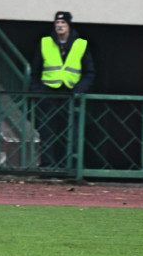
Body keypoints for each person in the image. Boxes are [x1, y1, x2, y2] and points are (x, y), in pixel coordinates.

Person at [30, 11, 96, 169]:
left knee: (72, 133)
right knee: (47, 132)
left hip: (71, 94)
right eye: (57, 23)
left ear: (69, 25)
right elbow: (35, 70)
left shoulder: (80, 44)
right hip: (48, 93)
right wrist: (37, 89)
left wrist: (79, 89)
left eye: (63, 23)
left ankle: (71, 167)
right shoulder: (45, 42)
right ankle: (47, 166)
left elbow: (89, 72)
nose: (59, 25)